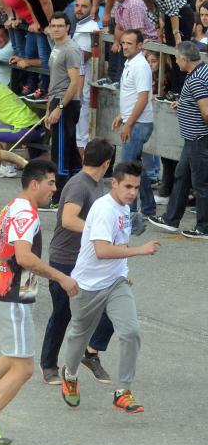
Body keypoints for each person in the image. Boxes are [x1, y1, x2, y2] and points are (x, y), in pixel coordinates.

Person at [0, 159, 78, 445]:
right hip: (13, 298)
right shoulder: (27, 214)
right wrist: (61, 277)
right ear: (34, 184)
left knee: (12, 355)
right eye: (51, 182)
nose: (54, 188)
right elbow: (24, 257)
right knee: (24, 368)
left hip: (4, 294)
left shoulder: (12, 206)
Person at [61, 161, 160, 414]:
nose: (133, 192)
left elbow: (121, 243)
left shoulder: (124, 207)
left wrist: (124, 272)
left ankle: (123, 391)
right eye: (128, 186)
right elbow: (102, 250)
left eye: (136, 187)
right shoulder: (104, 209)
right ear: (113, 183)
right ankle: (70, 375)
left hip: (115, 283)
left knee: (131, 333)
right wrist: (142, 250)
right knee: (78, 336)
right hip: (87, 286)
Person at [40, 138, 116, 385]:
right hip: (66, 261)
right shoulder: (79, 185)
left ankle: (91, 352)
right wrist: (99, 233)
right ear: (107, 163)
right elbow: (68, 220)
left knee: (112, 305)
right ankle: (49, 366)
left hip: (89, 259)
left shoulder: (96, 184)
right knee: (62, 314)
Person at [149, 41, 208, 239]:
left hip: (198, 138)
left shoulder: (196, 80)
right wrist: (183, 104)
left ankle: (203, 227)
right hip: (193, 139)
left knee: (201, 183)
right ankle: (171, 219)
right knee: (182, 176)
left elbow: (206, 112)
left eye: (176, 58)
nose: (175, 61)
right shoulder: (202, 71)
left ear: (185, 59)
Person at [111, 28, 157, 218]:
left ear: (140, 45)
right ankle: (148, 208)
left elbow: (143, 98)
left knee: (127, 166)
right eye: (123, 43)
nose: (125, 47)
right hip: (133, 120)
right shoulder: (131, 62)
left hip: (138, 124)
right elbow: (132, 96)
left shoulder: (140, 66)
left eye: (129, 43)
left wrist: (128, 123)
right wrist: (123, 115)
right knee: (135, 166)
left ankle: (128, 210)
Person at [138, 0, 194, 94]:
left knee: (181, 54)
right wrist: (159, 30)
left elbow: (173, 8)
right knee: (171, 55)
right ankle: (175, 91)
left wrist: (176, 35)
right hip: (169, 17)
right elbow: (154, 9)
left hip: (182, 16)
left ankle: (182, 92)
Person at [44, 12, 83, 207]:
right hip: (56, 100)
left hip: (65, 102)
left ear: (68, 27)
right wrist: (48, 107)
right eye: (53, 26)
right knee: (68, 148)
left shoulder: (70, 49)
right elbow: (54, 79)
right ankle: (79, 190)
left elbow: (74, 82)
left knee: (59, 151)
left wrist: (59, 107)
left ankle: (58, 196)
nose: (56, 29)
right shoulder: (57, 47)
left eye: (60, 26)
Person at [70, 0, 100, 151]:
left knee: (82, 136)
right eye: (77, 5)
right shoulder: (80, 24)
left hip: (84, 88)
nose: (79, 9)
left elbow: (81, 58)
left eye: (84, 6)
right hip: (77, 86)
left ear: (91, 9)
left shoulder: (90, 28)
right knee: (78, 134)